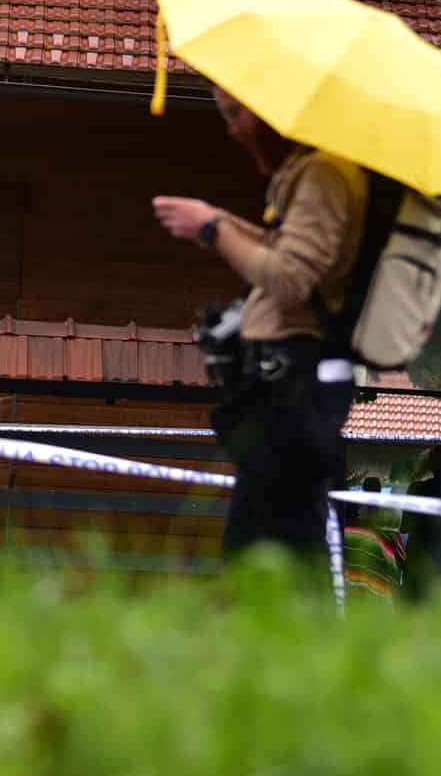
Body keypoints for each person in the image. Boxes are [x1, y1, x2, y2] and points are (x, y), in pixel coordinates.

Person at [153, 89, 370, 567]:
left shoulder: (324, 174)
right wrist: (219, 221)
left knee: (285, 540)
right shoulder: (310, 171)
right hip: (280, 385)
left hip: (295, 383)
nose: (232, 129)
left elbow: (291, 278)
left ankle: (298, 635)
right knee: (251, 543)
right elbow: (282, 251)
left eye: (236, 114)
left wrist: (214, 230)